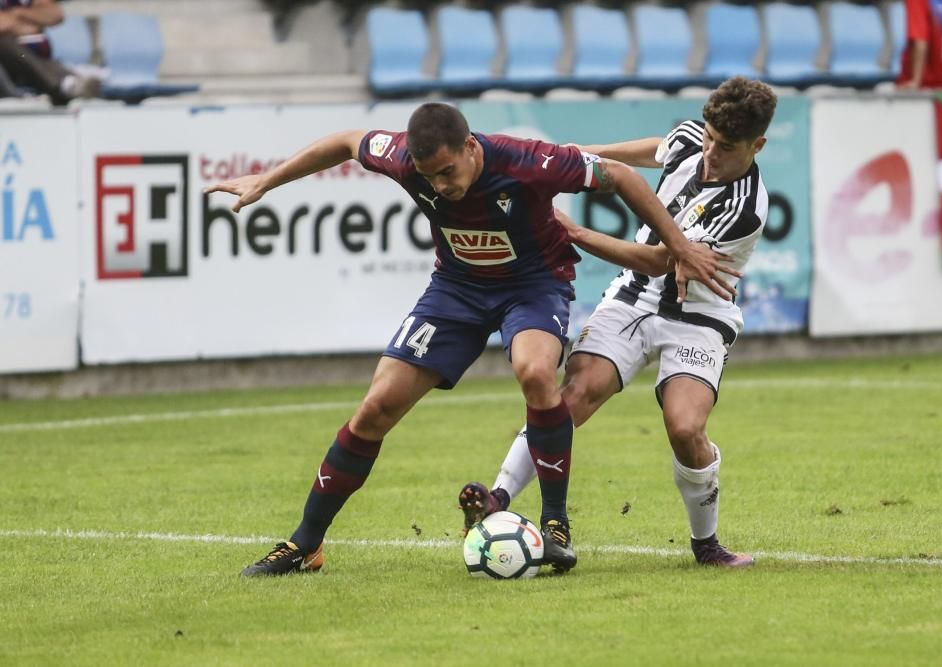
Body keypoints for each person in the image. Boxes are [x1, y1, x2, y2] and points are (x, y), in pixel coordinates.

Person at [205, 102, 737, 577]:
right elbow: (347, 141)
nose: (439, 186)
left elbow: (621, 176)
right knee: (375, 409)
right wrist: (269, 180)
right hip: (455, 290)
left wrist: (678, 246)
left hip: (534, 285)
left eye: (447, 172)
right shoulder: (402, 157)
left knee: (535, 372)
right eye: (427, 176)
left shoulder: (527, 160)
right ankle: (305, 545)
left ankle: (555, 526)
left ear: (470, 147)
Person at [458, 76, 777, 568]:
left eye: (726, 146)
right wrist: (578, 154)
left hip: (698, 317)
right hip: (632, 299)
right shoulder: (696, 138)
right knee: (572, 397)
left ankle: (706, 545)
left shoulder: (744, 208)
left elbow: (657, 259)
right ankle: (497, 498)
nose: (710, 151)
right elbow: (660, 149)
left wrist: (574, 230)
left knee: (685, 427)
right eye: (709, 137)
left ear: (758, 144)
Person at [0, 0, 100, 104]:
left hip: (37, 58)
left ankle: (71, 83)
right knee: (9, 46)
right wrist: (32, 21)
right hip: (8, 64)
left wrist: (18, 12)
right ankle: (62, 86)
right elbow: (2, 24)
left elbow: (55, 14)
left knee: (39, 61)